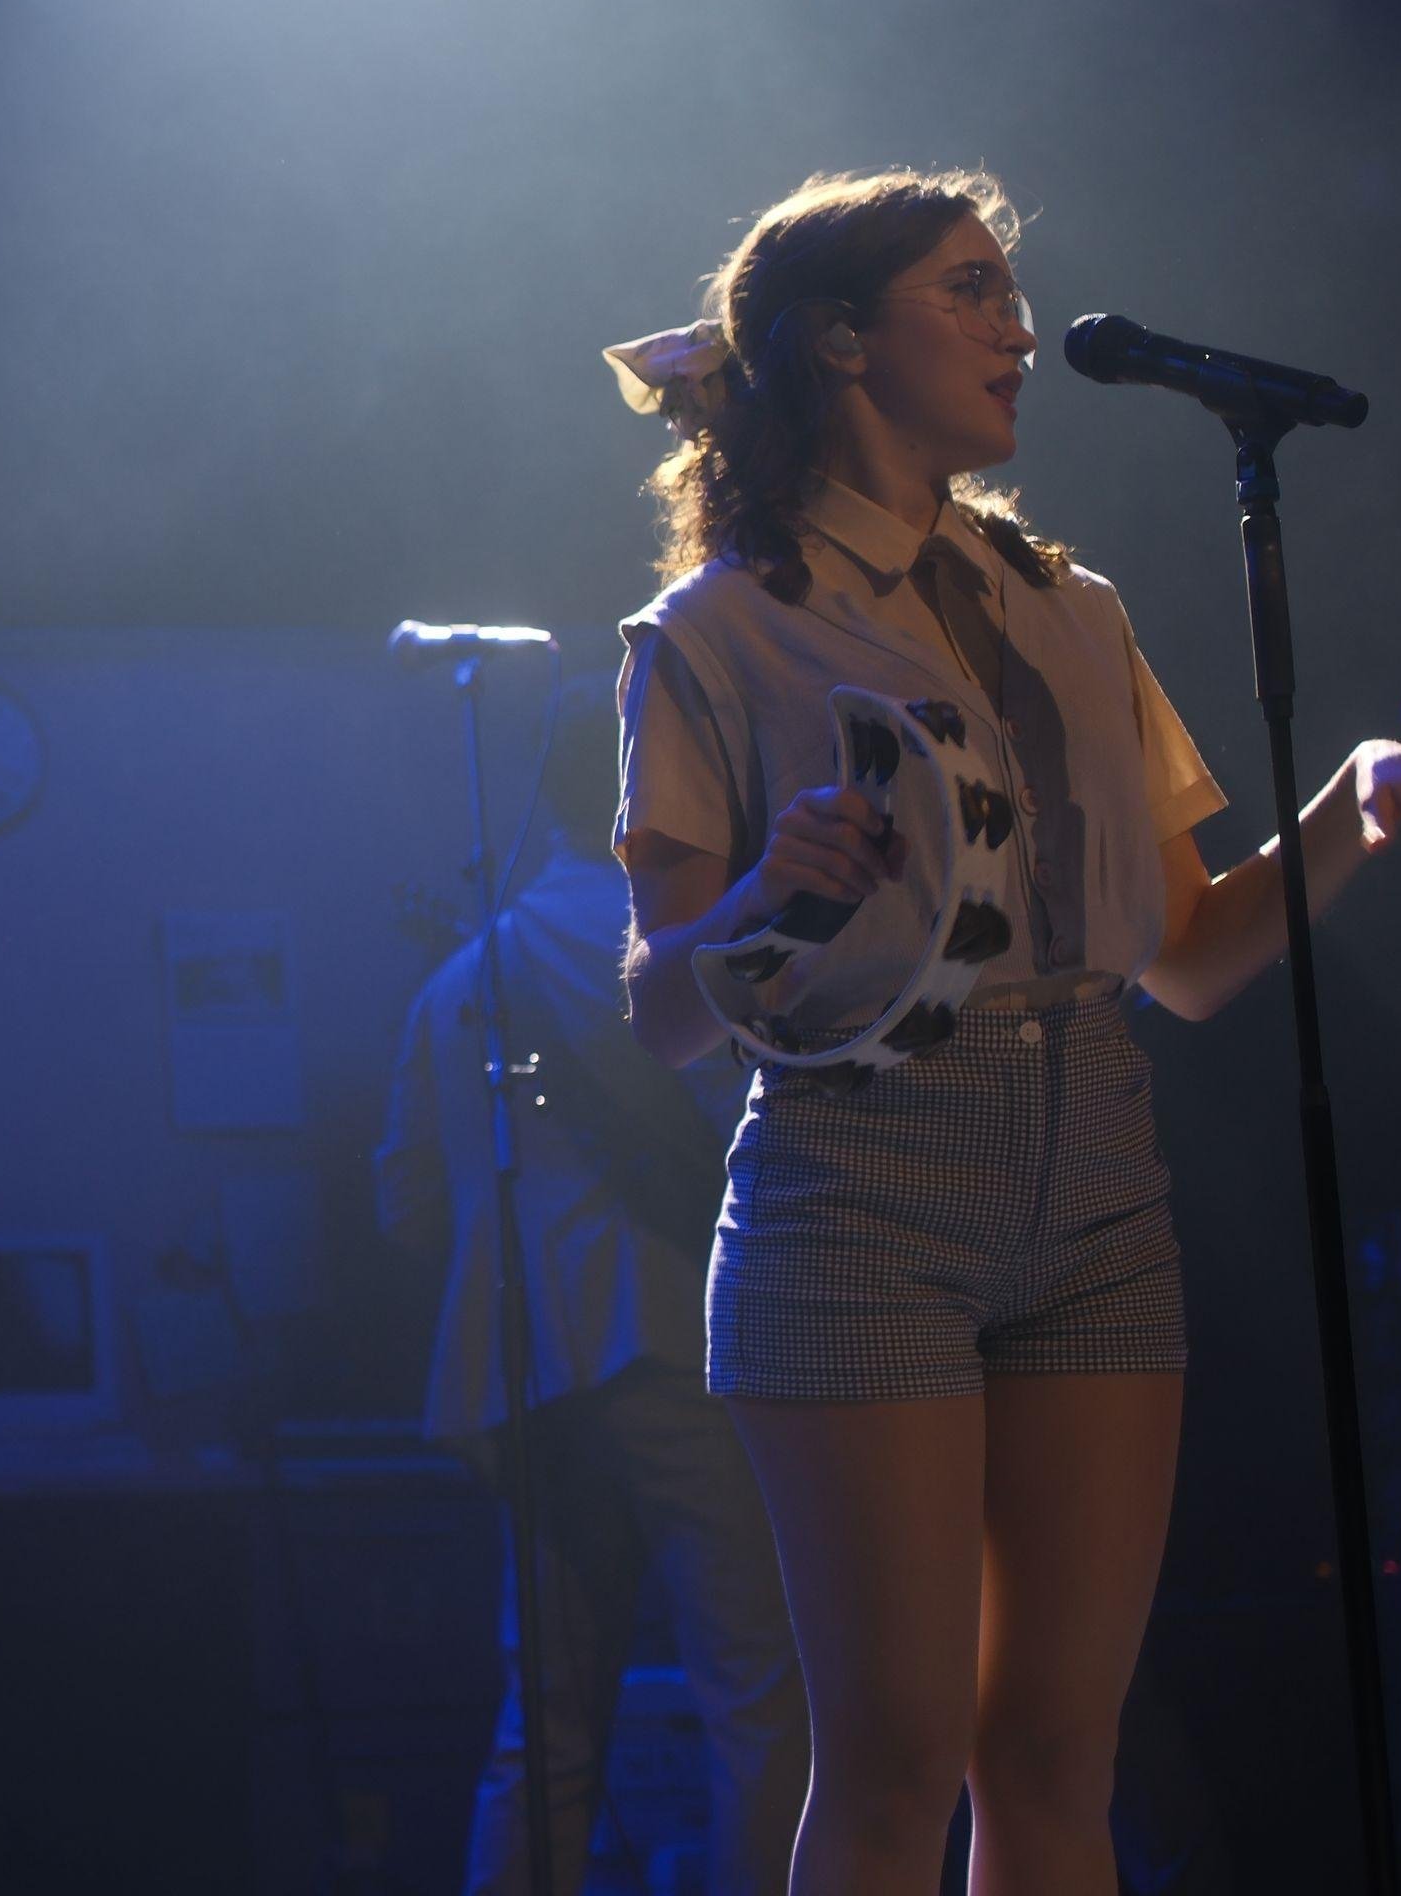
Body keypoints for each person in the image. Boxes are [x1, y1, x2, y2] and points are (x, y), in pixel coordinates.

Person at [604, 168, 1401, 1895]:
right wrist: (772, 898)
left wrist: (1360, 804)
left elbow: (1190, 959)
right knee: (893, 1761)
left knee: (1060, 1758)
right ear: (840, 340)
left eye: (1009, 293)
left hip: (1095, 1174)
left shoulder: (1074, 609)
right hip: (859, 1187)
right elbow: (659, 1012)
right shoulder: (715, 632)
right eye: (968, 290)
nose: (1015, 328)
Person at [377, 689, 805, 1896]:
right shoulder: (678, 949)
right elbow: (759, 1144)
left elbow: (405, 1206)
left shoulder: (460, 976)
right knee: (758, 1696)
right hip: (672, 1343)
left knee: (547, 1725)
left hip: (522, 1377)